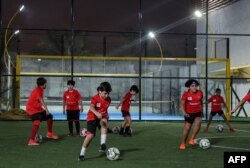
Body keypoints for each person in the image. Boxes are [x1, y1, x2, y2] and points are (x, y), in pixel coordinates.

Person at [78, 82, 112, 161]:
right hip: (92, 117)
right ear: (100, 91)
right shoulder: (95, 98)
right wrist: (97, 113)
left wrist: (106, 115)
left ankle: (102, 144)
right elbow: (91, 107)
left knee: (104, 123)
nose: (106, 95)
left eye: (108, 94)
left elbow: (104, 109)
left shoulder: (108, 99)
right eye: (105, 93)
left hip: (101, 117)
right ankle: (82, 153)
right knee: (90, 136)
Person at [26, 77, 59, 146]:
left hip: (38, 109)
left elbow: (39, 101)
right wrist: (47, 110)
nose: (46, 85)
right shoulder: (38, 90)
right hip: (32, 110)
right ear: (43, 84)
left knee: (49, 117)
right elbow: (41, 100)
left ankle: (49, 133)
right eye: (45, 84)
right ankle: (31, 140)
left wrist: (45, 111)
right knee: (37, 122)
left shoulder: (40, 89)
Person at [179, 79, 203, 150]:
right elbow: (182, 104)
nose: (194, 87)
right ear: (189, 87)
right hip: (189, 114)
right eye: (192, 86)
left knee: (199, 122)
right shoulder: (186, 94)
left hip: (198, 113)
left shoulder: (200, 93)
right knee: (187, 129)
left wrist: (202, 111)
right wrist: (184, 113)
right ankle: (183, 143)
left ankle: (192, 138)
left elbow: (200, 102)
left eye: (195, 86)